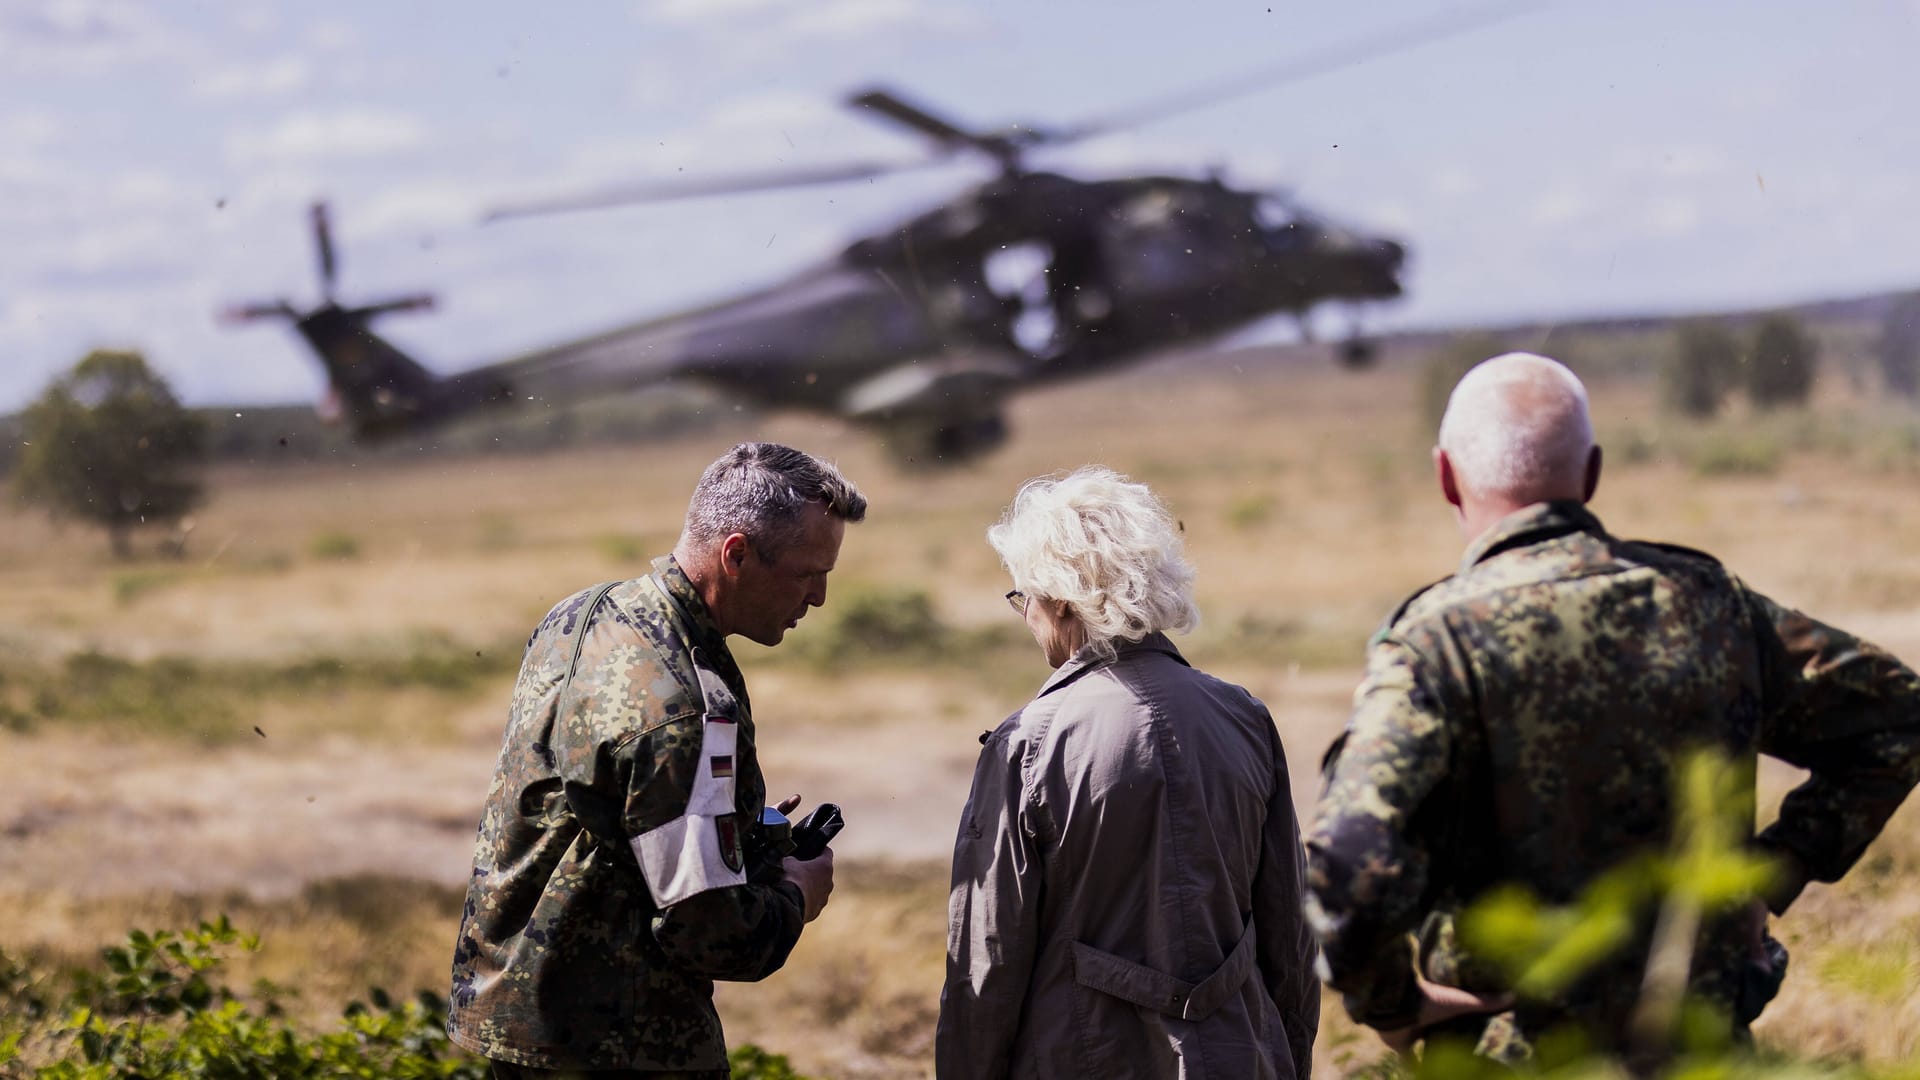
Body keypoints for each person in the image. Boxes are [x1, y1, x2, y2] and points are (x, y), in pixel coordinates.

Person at [1305, 352, 1920, 1062]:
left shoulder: (1435, 644)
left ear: (1445, 476)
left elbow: (1348, 861)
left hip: (1513, 1059)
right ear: (1591, 473)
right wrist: (1774, 871)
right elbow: (1896, 717)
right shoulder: (1710, 603)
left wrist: (1393, 1003)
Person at [449, 442, 867, 1078]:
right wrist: (793, 895)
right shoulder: (682, 709)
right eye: (810, 573)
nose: (819, 598)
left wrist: (735, 832)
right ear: (737, 554)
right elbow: (710, 930)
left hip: (522, 1018)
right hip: (617, 1044)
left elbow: (603, 816)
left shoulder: (585, 613)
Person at [938, 466, 1320, 1079]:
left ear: (1058, 597)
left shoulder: (1028, 744)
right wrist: (1283, 1057)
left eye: (1023, 599)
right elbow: (1290, 933)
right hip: (1242, 1055)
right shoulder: (1244, 717)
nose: (1027, 617)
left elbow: (988, 958)